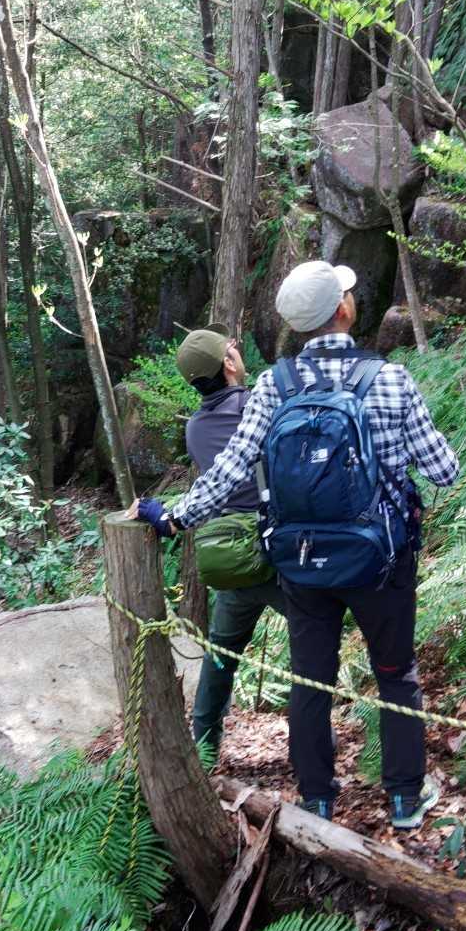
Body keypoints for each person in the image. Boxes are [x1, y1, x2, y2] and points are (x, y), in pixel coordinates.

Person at [134, 261, 458, 830]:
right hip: (380, 560)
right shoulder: (389, 379)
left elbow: (231, 470)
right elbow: (444, 470)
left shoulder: (272, 386)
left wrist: (175, 518)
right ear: (343, 309)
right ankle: (405, 799)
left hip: (301, 561)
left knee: (310, 678)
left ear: (296, 323)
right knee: (394, 672)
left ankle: (317, 800)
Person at [171, 325, 287, 761]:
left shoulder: (195, 429)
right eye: (231, 349)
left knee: (221, 654)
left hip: (231, 558)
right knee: (314, 639)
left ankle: (204, 748)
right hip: (276, 553)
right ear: (229, 364)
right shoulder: (261, 407)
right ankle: (315, 742)